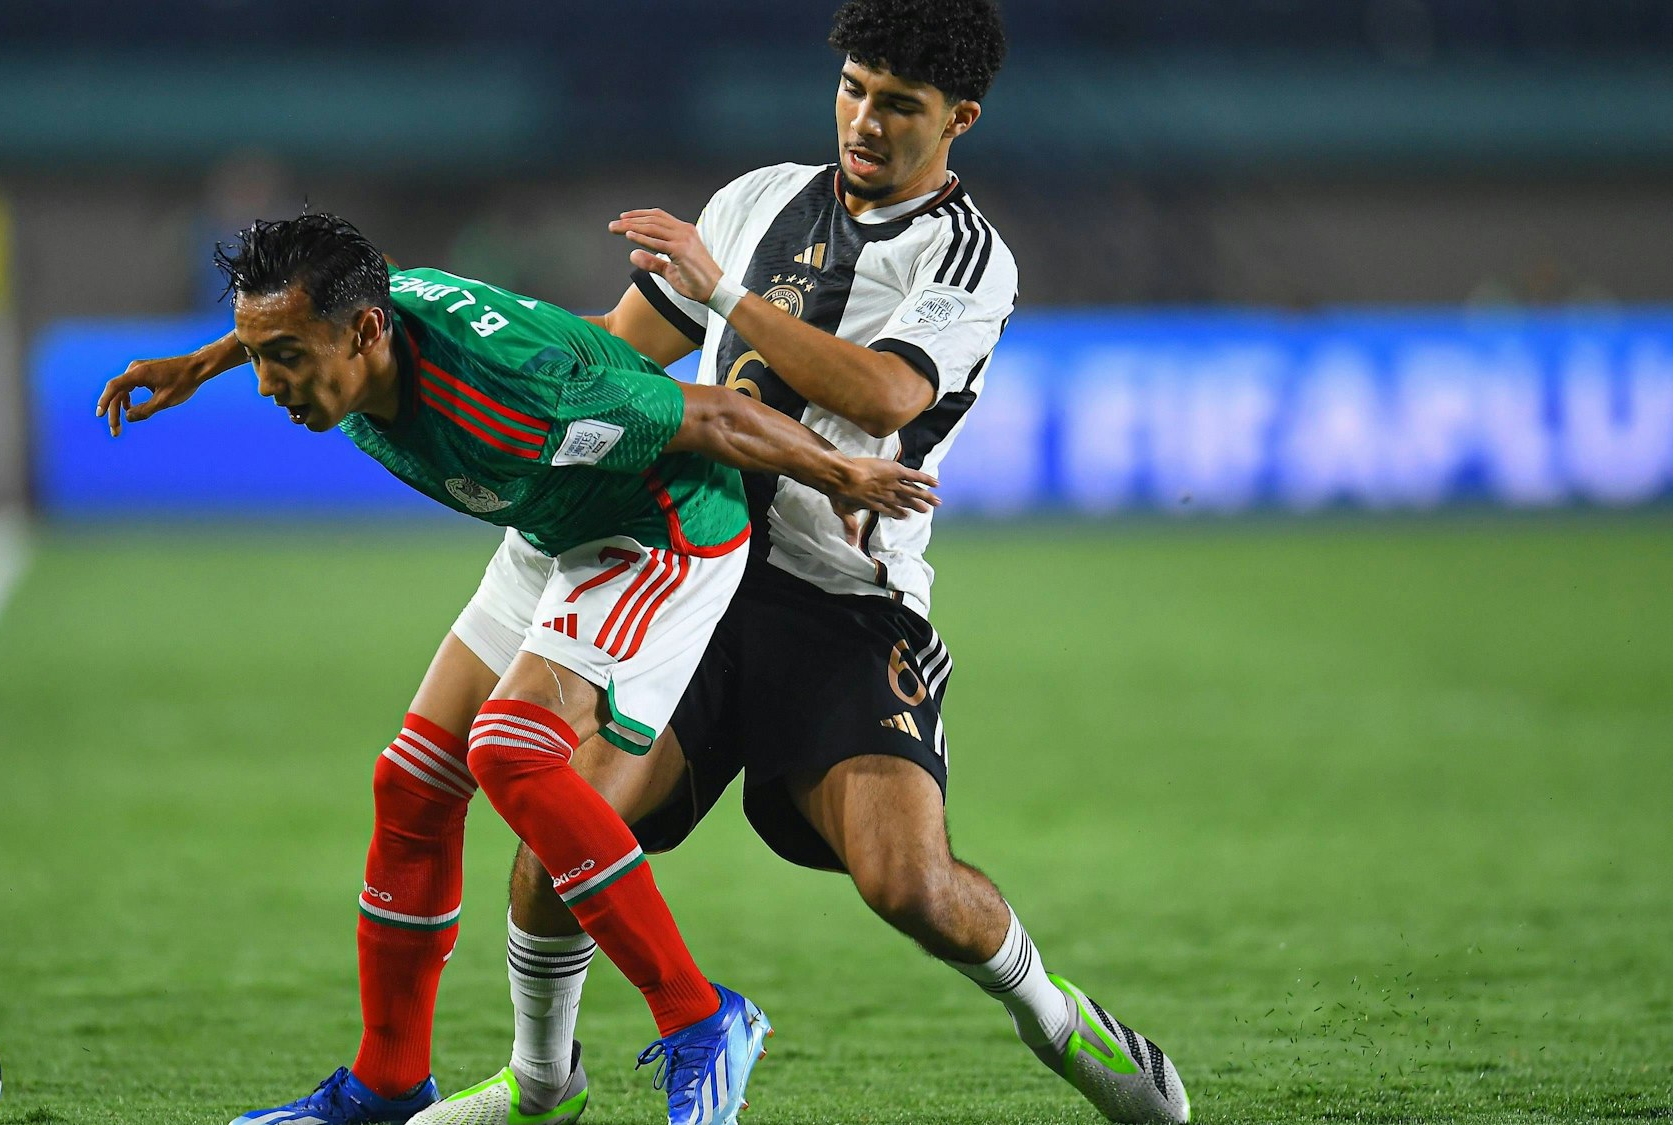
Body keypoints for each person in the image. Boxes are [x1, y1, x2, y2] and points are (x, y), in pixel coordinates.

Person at [416, 2, 1190, 1124]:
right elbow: (616, 349)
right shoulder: (755, 199)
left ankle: (1056, 1018)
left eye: (898, 105)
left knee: (907, 884)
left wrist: (726, 295)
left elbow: (883, 393)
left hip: (842, 608)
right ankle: (541, 1085)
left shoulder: (965, 256)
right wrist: (468, 360)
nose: (863, 121)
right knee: (561, 825)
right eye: (852, 89)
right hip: (692, 578)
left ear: (957, 119)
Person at [94, 213, 941, 1125]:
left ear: (367, 332)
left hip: (662, 525)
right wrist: (198, 363)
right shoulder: (362, 317)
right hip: (554, 520)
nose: (271, 383)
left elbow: (718, 415)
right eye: (261, 354)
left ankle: (702, 1017)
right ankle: (385, 1086)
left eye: (287, 358)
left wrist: (841, 475)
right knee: (412, 782)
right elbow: (291, 319)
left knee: (509, 750)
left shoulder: (515, 392)